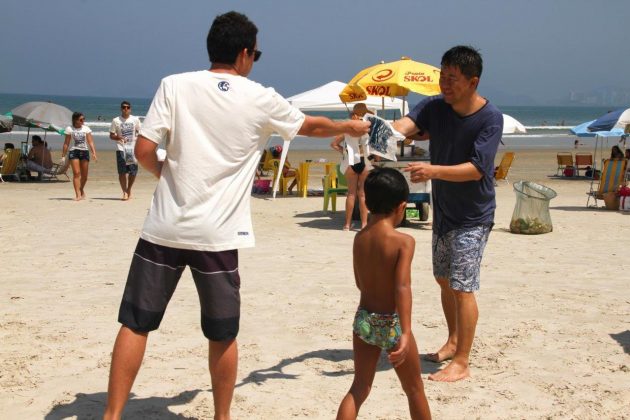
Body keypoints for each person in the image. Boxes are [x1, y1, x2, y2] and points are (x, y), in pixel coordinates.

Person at [103, 11, 370, 420]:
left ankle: (112, 414)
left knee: (136, 324)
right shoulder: (259, 97)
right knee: (222, 333)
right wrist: (348, 126)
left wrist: (167, 174)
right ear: (245, 53)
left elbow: (142, 151)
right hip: (218, 236)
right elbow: (310, 126)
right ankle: (222, 416)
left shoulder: (174, 85)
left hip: (164, 228)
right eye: (256, 54)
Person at [392, 45, 503, 382]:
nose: (444, 83)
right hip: (443, 212)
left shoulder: (489, 118)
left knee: (462, 287)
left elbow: (477, 169)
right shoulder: (435, 106)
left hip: (473, 215)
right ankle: (453, 340)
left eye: (452, 78)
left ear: (473, 81)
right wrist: (360, 137)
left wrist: (433, 170)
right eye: (442, 75)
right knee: (443, 280)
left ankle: (463, 362)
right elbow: (403, 127)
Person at [336, 167, 431, 420]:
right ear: (401, 206)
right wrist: (406, 332)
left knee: (359, 388)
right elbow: (402, 287)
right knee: (414, 389)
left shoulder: (361, 238)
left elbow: (359, 281)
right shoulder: (404, 241)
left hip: (364, 319)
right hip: (391, 323)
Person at [330, 103, 373, 230]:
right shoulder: (368, 127)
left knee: (351, 194)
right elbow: (374, 147)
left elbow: (334, 144)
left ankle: (347, 225)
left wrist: (345, 151)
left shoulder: (347, 128)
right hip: (364, 160)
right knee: (363, 194)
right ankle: (364, 224)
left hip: (350, 161)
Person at [109, 101, 141, 200]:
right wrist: (118, 137)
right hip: (121, 148)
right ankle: (124, 192)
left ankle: (129, 189)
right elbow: (111, 135)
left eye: (127, 107)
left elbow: (140, 133)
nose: (125, 109)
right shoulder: (116, 120)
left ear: (130, 109)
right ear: (121, 108)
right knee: (122, 171)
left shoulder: (135, 120)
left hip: (132, 148)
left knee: (133, 171)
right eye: (123, 107)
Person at [62, 112, 97, 201]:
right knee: (76, 173)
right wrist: (63, 155)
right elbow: (66, 143)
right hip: (74, 151)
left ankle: (81, 189)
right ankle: (78, 194)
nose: (83, 121)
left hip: (84, 151)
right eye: (81, 119)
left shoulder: (86, 128)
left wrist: (94, 153)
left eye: (83, 119)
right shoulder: (69, 129)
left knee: (84, 176)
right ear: (75, 120)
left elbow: (90, 141)